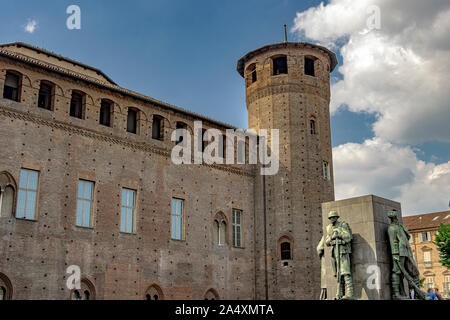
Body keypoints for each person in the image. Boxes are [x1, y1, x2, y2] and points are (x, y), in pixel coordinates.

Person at [387, 210, 424, 299]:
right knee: (397, 271)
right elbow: (393, 242)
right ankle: (396, 294)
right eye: (395, 217)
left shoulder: (400, 227)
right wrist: (395, 254)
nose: (396, 218)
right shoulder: (391, 228)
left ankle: (417, 294)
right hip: (399, 252)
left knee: (414, 272)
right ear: (393, 218)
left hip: (407, 252)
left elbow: (406, 237)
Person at [325, 210, 354, 300]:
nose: (332, 219)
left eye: (333, 217)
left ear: (337, 217)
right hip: (334, 252)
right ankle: (339, 293)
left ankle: (350, 293)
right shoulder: (329, 228)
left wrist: (339, 233)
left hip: (343, 251)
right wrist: (332, 237)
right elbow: (327, 242)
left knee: (345, 272)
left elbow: (349, 237)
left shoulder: (343, 225)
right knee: (338, 274)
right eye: (330, 218)